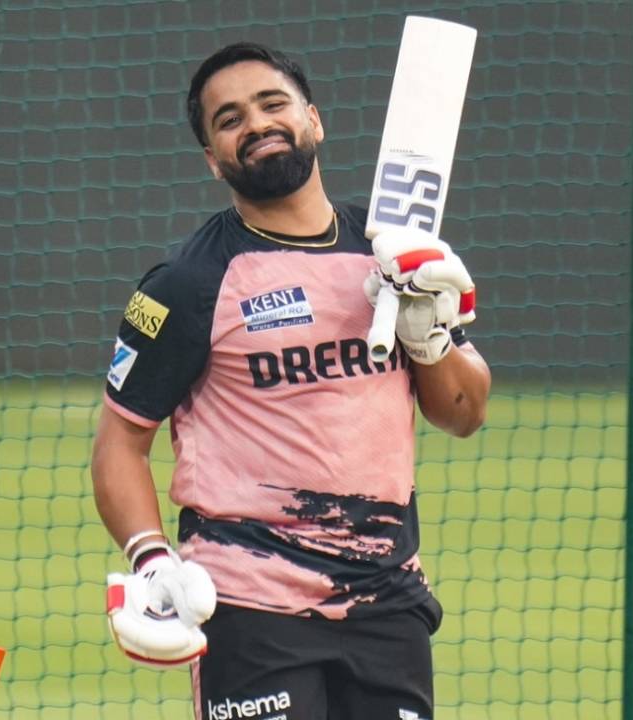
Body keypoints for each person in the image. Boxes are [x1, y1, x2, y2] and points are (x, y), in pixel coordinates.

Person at [92, 40, 491, 719]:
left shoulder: (391, 246)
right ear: (213, 160)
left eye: (272, 103)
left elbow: (462, 411)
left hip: (387, 600)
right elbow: (119, 445)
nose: (256, 123)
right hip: (250, 603)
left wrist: (427, 331)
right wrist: (152, 559)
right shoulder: (188, 283)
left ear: (314, 119)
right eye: (229, 119)